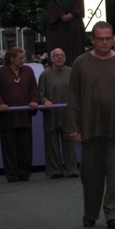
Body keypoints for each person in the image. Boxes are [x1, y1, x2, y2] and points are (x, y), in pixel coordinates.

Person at [67, 21, 115, 229]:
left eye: (108, 38)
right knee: (91, 175)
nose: (105, 42)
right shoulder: (81, 63)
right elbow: (73, 97)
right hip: (90, 128)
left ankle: (113, 214)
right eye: (100, 38)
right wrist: (73, 127)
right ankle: (90, 212)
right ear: (92, 40)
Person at [0, 47, 40, 182]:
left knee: (25, 145)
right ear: (12, 59)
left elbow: (34, 90)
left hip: (24, 115)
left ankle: (25, 173)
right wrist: (0, 104)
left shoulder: (28, 71)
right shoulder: (1, 72)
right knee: (9, 146)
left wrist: (33, 101)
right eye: (20, 58)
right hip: (8, 117)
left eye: (23, 58)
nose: (22, 61)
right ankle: (12, 174)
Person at [38, 48, 79, 179]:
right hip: (51, 115)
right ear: (51, 59)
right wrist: (45, 101)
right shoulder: (45, 75)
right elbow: (40, 94)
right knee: (52, 145)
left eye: (62, 55)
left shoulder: (71, 72)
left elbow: (77, 91)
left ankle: (71, 169)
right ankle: (55, 170)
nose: (59, 58)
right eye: (56, 56)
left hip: (67, 114)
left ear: (65, 58)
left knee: (69, 143)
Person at [46, 0, 85, 66]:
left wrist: (72, 14)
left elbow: (79, 0)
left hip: (73, 22)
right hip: (59, 22)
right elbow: (51, 2)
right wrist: (61, 14)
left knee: (74, 48)